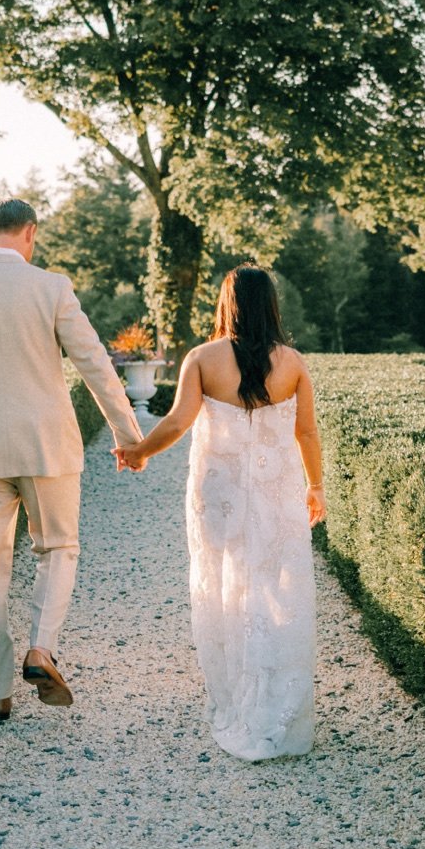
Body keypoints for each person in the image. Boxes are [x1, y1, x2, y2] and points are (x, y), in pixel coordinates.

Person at [0, 198, 145, 724]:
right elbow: (94, 362)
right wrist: (127, 435)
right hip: (48, 445)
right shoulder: (51, 288)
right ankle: (41, 650)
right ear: (31, 234)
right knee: (58, 548)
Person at [114, 267, 323, 761]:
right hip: (275, 493)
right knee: (275, 591)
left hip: (219, 494)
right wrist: (316, 486)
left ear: (226, 304)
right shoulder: (292, 363)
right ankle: (275, 705)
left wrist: (141, 451)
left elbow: (178, 421)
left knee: (228, 586)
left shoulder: (203, 359)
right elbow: (307, 433)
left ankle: (236, 697)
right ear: (271, 305)